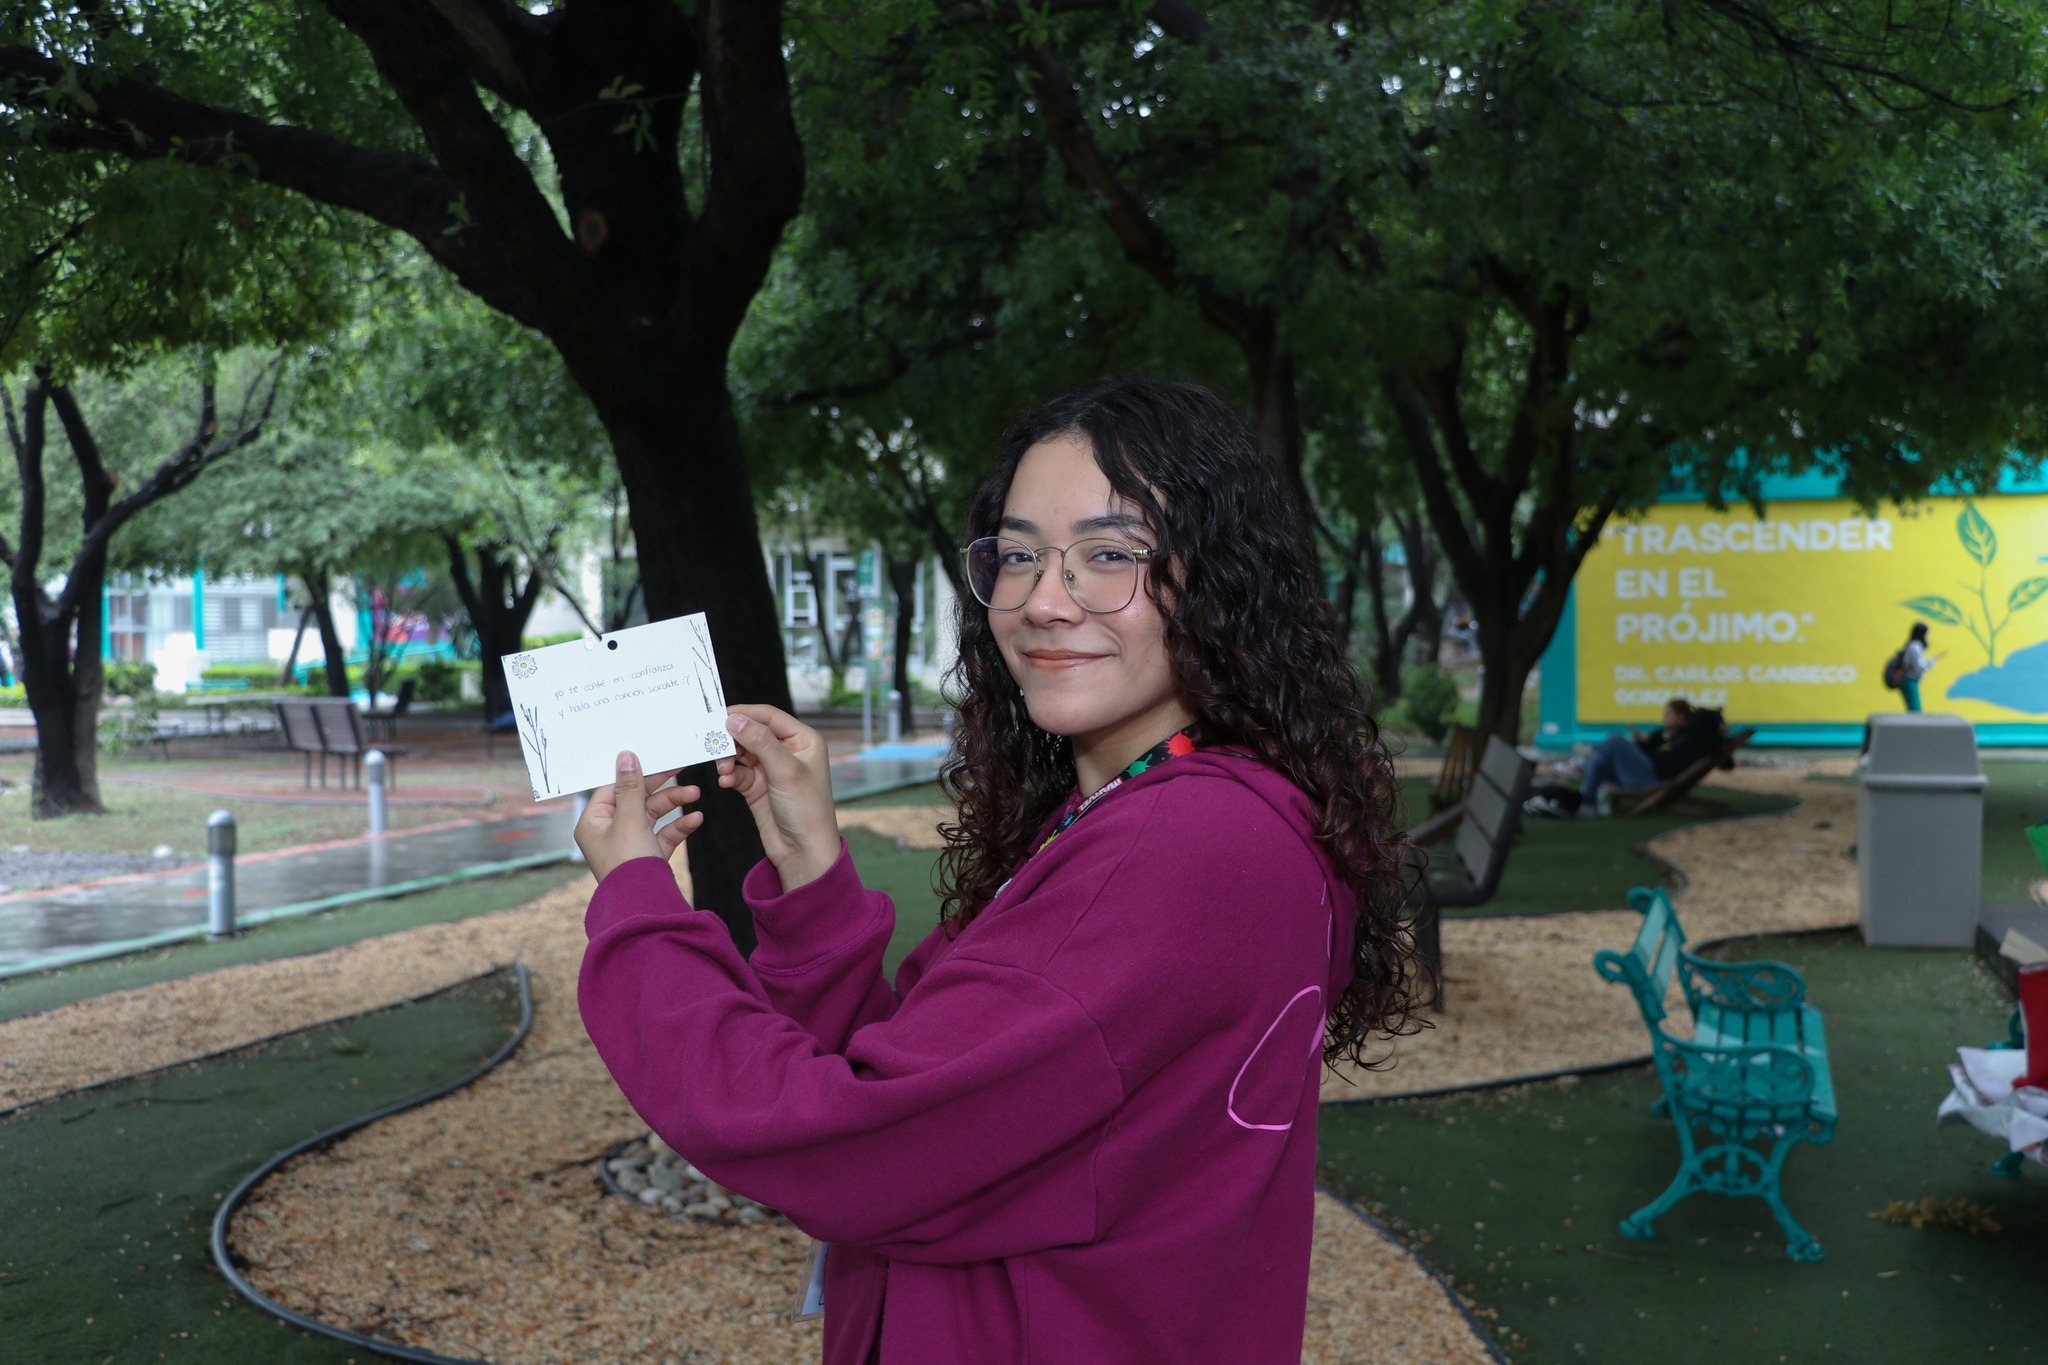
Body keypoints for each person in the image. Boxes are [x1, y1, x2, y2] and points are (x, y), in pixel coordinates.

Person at [571, 377, 1422, 1364]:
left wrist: (636, 901)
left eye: (1108, 556)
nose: (1042, 601)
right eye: (1017, 555)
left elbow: (845, 1142)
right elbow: (936, 1094)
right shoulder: (1169, 805)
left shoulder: (1182, 850)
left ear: (1218, 579)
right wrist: (809, 868)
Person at [1574, 698, 1719, 811]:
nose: (1665, 718)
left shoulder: (1692, 740)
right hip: (1644, 773)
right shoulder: (1675, 737)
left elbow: (1704, 718)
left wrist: (1718, 724)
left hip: (1650, 779)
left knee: (1616, 740)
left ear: (1682, 717)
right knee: (1600, 759)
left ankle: (1584, 760)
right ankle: (1586, 802)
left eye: (1669, 715)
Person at [1900, 622, 1940, 712]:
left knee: (1913, 709)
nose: (1928, 637)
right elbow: (1918, 668)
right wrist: (1930, 662)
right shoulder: (1915, 647)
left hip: (1911, 679)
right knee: (1916, 710)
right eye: (1927, 634)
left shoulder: (1913, 646)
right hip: (1910, 679)